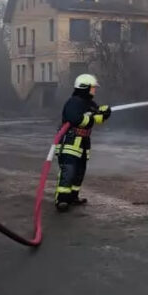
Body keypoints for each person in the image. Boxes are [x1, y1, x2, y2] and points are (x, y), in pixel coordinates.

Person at [54, 73, 112, 211]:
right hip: (70, 141)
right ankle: (62, 200)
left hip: (83, 142)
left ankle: (73, 197)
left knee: (80, 171)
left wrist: (104, 114)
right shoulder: (74, 102)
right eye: (92, 88)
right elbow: (75, 119)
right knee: (69, 171)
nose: (94, 90)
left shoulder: (89, 104)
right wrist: (93, 117)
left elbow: (96, 118)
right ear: (85, 87)